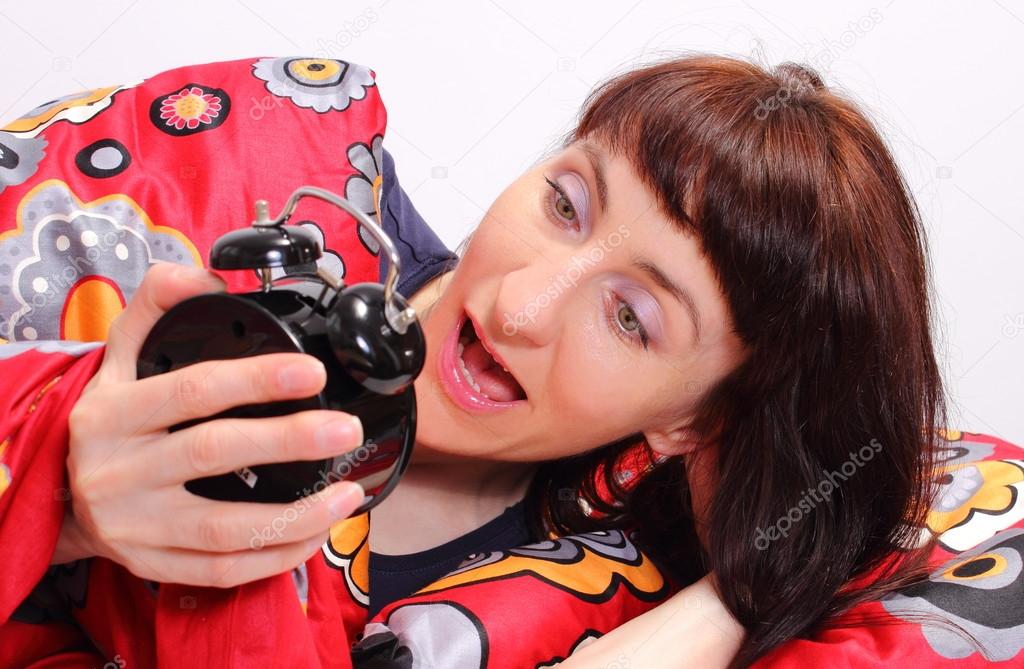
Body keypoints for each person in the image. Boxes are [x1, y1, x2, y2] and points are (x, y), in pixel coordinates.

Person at [0, 52, 950, 668]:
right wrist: (64, 498)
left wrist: (724, 607)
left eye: (631, 317)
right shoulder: (265, 189)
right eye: (566, 203)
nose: (520, 304)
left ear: (691, 419)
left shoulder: (603, 592)